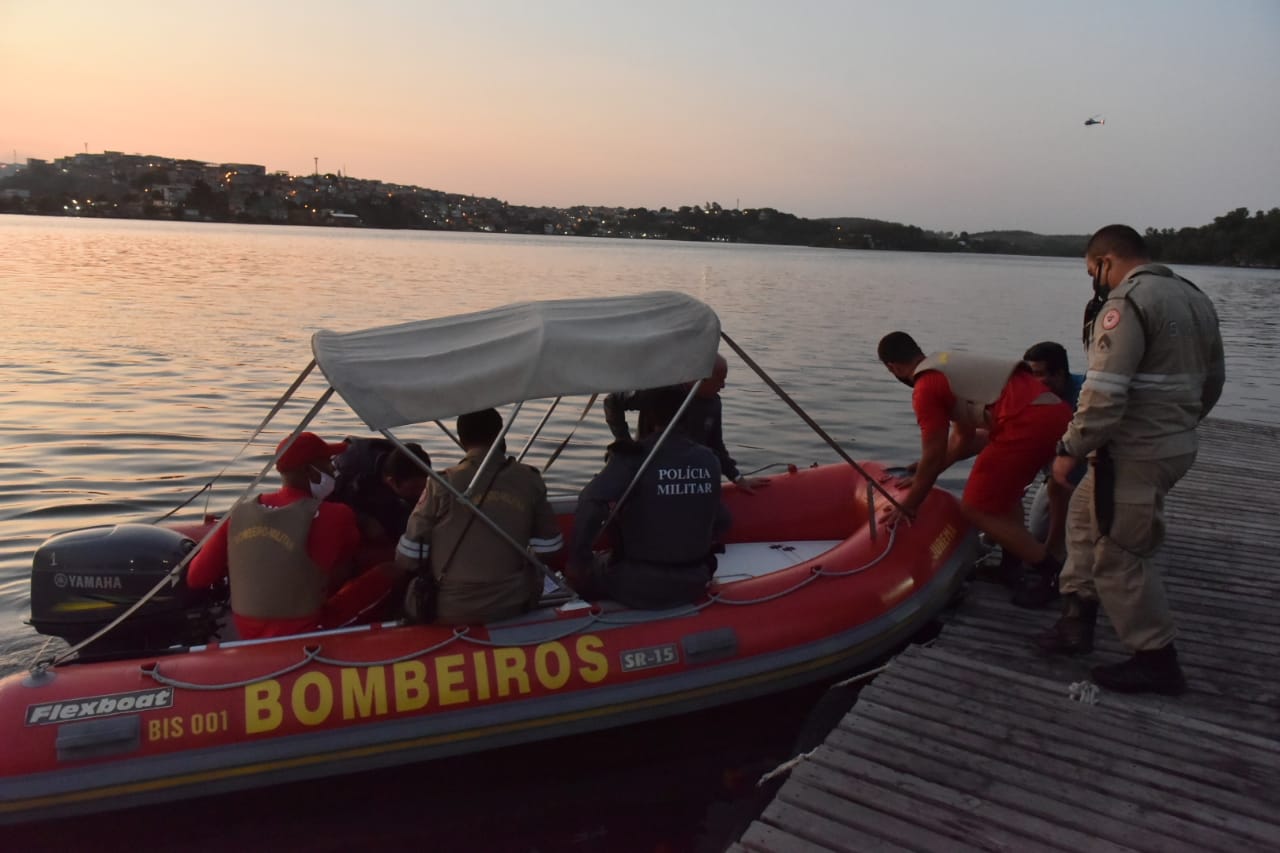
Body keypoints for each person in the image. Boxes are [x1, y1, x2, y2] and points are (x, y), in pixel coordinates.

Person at [1036, 224, 1224, 695]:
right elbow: (1214, 380)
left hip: (1135, 452)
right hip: (1171, 443)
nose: (1094, 283)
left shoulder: (1126, 303)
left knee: (1120, 553)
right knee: (1083, 520)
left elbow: (1102, 395)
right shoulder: (1194, 297)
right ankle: (1075, 622)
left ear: (1106, 262)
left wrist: (1068, 449)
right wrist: (1179, 424)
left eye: (1091, 272)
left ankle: (1156, 659)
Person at [876, 333, 1073, 583]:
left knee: (976, 507)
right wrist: (926, 471)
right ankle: (1011, 567)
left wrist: (910, 504)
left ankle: (1055, 575)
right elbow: (962, 438)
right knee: (1002, 494)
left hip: (1025, 423)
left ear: (892, 367)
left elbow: (933, 452)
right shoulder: (946, 365)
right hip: (1055, 414)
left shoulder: (925, 386)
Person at [186, 432, 363, 640]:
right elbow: (349, 566)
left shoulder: (239, 514)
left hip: (247, 630)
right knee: (389, 571)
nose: (334, 469)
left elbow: (196, 578)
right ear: (310, 470)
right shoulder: (338, 514)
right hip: (308, 629)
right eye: (328, 463)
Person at [394, 408, 563, 625]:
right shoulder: (530, 480)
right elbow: (550, 549)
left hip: (452, 608)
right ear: (501, 436)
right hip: (512, 604)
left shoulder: (442, 483)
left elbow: (408, 558)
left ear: (462, 440)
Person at [570, 386, 732, 609]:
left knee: (581, 573)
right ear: (687, 415)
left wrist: (580, 557)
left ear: (650, 416)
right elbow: (723, 520)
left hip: (636, 583)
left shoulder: (633, 457)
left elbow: (590, 502)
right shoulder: (709, 460)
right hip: (694, 579)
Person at [604, 354, 768, 493]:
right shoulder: (660, 393)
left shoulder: (714, 403)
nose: (723, 386)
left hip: (690, 474)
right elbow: (612, 401)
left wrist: (737, 478)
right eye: (720, 380)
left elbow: (716, 445)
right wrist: (625, 442)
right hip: (652, 469)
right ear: (703, 378)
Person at [1008, 341, 1087, 607]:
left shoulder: (1085, 397)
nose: (1034, 381)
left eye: (1040, 374)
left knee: (1075, 538)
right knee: (1038, 531)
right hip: (1056, 474)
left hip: (1094, 473)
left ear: (1060, 374)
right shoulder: (1032, 395)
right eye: (1030, 374)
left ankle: (1057, 569)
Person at [334, 438, 432, 546]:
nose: (419, 493)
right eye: (414, 488)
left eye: (423, 487)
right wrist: (363, 519)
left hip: (388, 498)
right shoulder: (352, 468)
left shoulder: (403, 460)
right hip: (352, 501)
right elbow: (334, 503)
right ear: (391, 481)